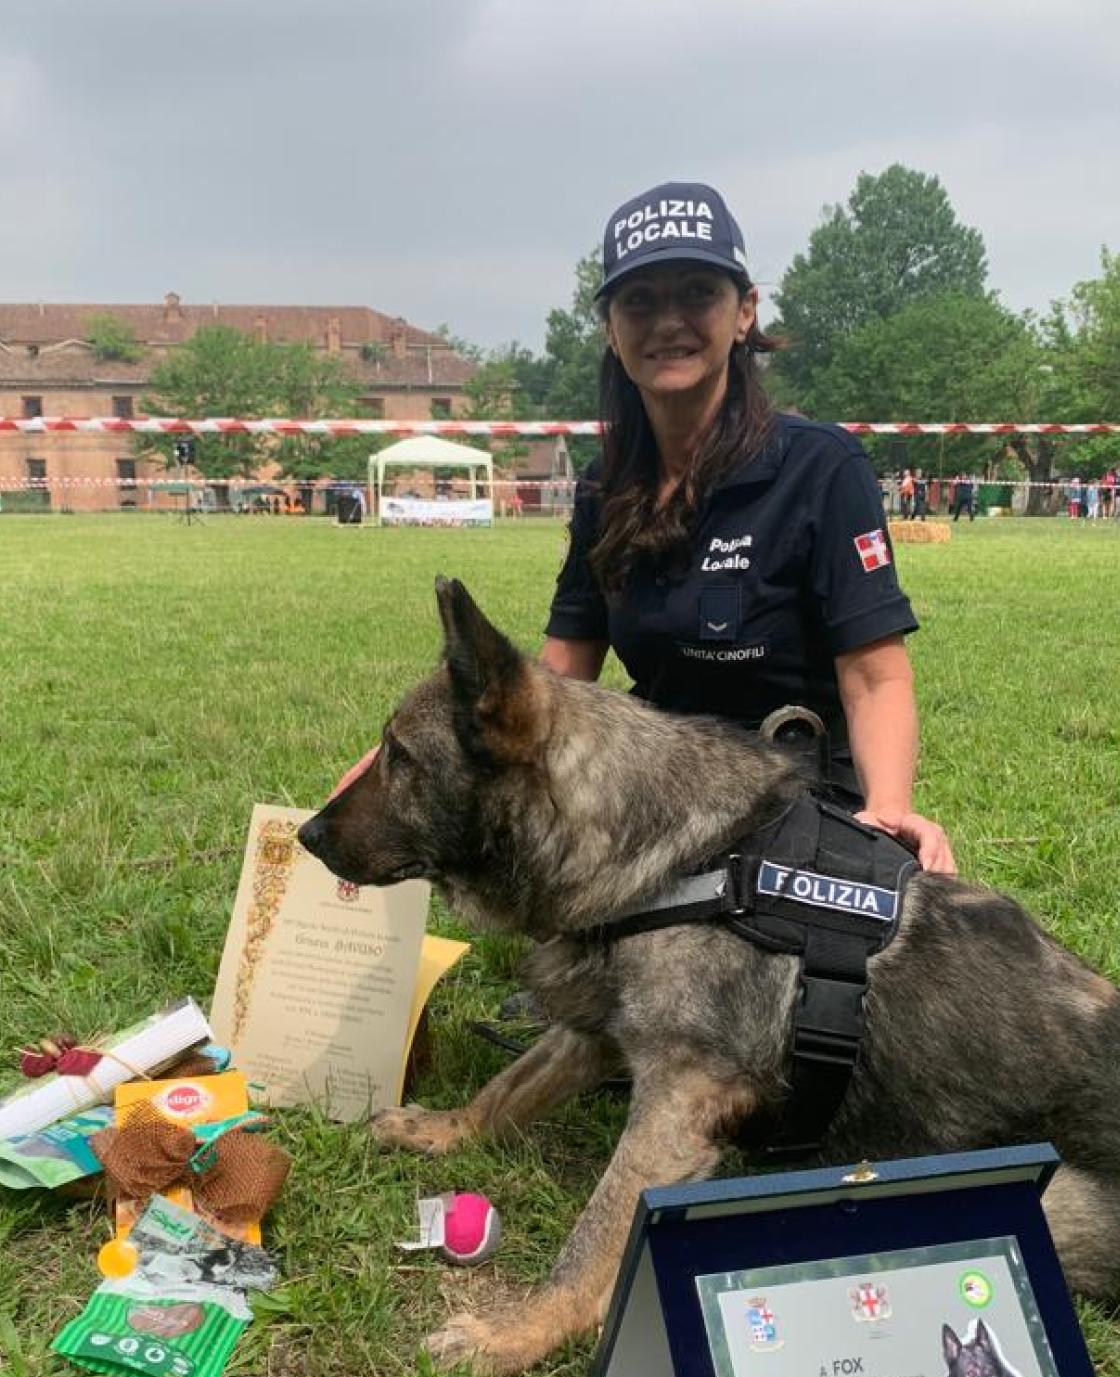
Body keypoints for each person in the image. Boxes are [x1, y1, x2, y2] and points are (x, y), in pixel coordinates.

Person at [333, 180, 955, 875]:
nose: (667, 322)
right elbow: (561, 669)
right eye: (640, 300)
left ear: (744, 311)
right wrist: (414, 755)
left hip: (794, 790)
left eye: (697, 292)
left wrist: (889, 810)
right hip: (656, 796)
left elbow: (874, 678)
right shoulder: (605, 484)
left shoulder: (819, 466)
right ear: (609, 325)